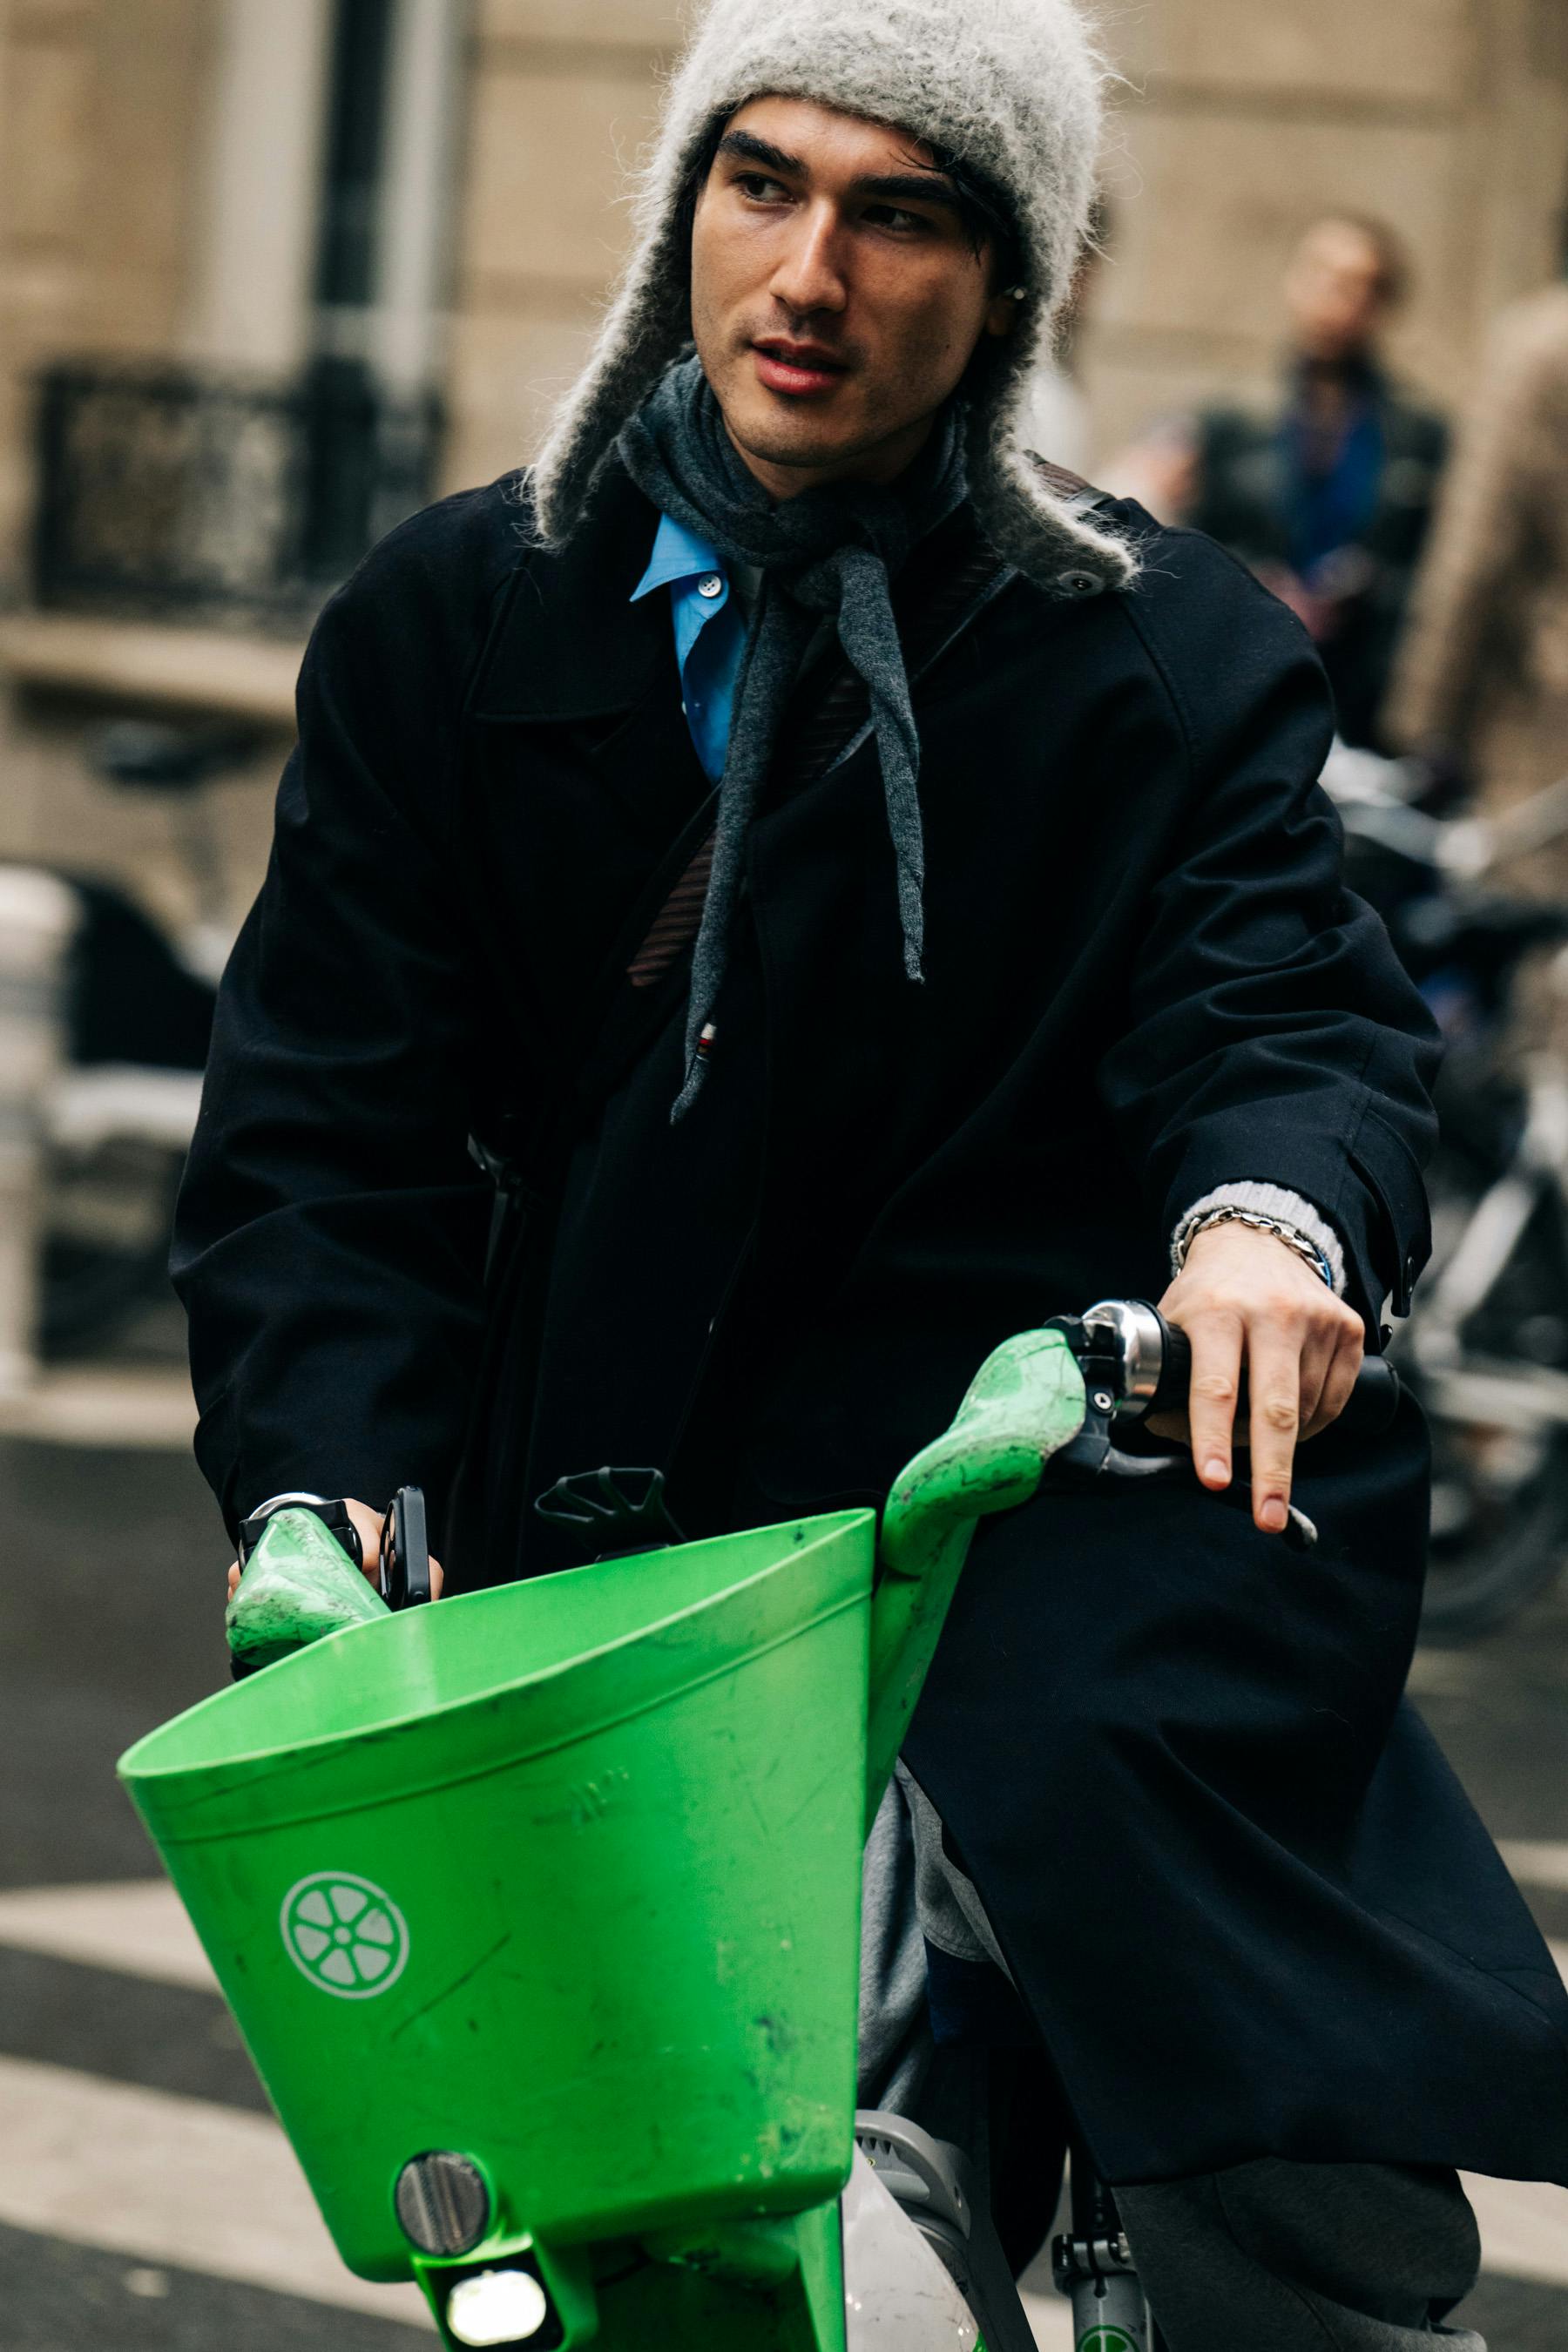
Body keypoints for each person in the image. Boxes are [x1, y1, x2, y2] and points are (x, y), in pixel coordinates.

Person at [172, 2, 1568, 2343]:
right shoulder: (457, 618)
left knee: (1300, 2189)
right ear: (681, 214)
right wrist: (319, 1488)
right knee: (657, 2238)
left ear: (1015, 278)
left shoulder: (1171, 650)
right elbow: (323, 1123)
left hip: (1051, 1482)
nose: (809, 270)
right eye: (762, 183)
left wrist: (1262, 1234)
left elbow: (1288, 1013)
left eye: (901, 211)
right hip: (634, 1555)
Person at [1170, 215, 1450, 751]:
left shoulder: (1419, 433)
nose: (1335, 300)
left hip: (1360, 693)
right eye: (1321, 275)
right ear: (1293, 281)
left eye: (1357, 286)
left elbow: (1428, 572)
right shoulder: (1231, 415)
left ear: (1382, 306)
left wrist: (1369, 586)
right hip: (1242, 667)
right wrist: (1255, 581)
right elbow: (1191, 546)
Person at [1387, 262, 1568, 884]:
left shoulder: (1544, 344)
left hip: (1544, 729)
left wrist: (1422, 726)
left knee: (1528, 947)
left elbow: (1476, 551)